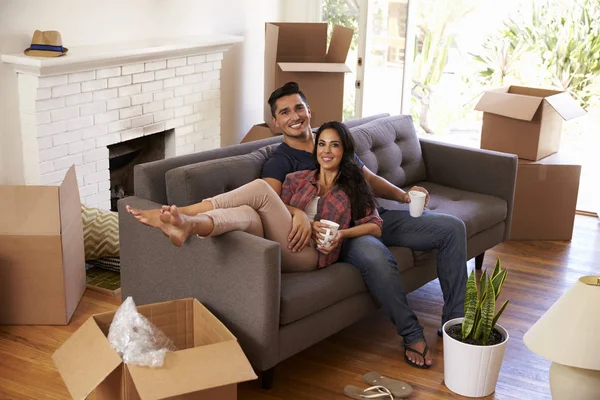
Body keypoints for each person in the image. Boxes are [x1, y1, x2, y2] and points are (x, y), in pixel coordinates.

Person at [260, 82, 467, 369]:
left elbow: (368, 178)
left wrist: (404, 196)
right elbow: (268, 201)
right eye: (284, 112)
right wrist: (297, 212)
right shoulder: (278, 161)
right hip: (341, 235)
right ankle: (411, 334)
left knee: (452, 228)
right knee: (377, 257)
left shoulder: (332, 139)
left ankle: (455, 323)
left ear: (309, 110)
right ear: (275, 122)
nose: (294, 116)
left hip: (374, 216)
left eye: (298, 107)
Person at [127, 121, 383, 273]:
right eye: (322, 144)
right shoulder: (300, 178)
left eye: (334, 145)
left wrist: (341, 235)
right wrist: (299, 215)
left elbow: (375, 226)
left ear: (344, 150)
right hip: (280, 242)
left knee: (261, 189)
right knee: (246, 214)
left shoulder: (353, 187)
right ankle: (188, 225)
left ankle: (184, 211)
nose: (326, 151)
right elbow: (278, 208)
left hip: (311, 255)